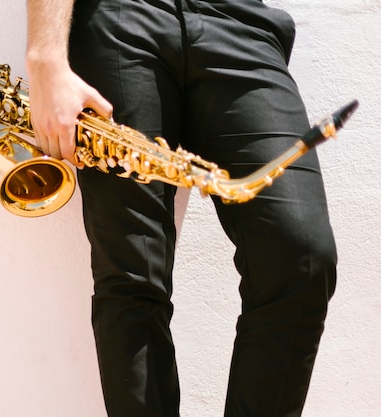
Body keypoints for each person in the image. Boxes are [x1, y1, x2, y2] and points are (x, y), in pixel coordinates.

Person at [24, 0, 337, 416]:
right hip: (119, 17)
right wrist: (45, 57)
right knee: (135, 273)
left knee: (302, 255)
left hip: (238, 21)